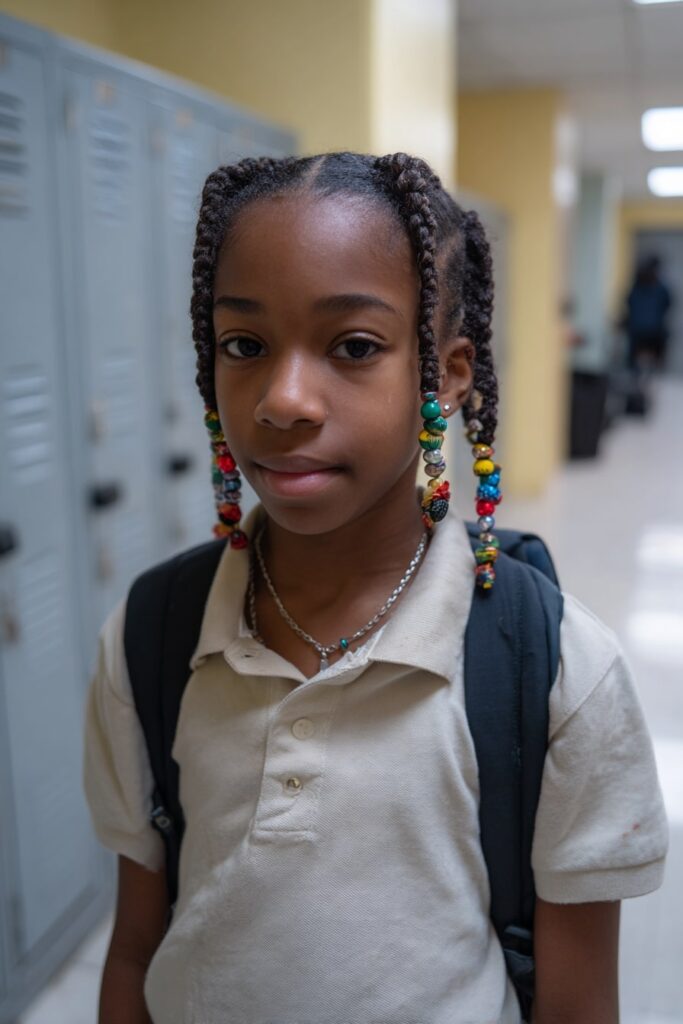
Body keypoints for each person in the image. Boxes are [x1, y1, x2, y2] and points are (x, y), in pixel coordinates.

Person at [83, 152, 668, 1024]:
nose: (283, 400)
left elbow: (579, 1004)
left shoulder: (553, 669)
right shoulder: (155, 634)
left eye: (353, 347)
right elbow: (137, 943)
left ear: (449, 373)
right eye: (244, 345)